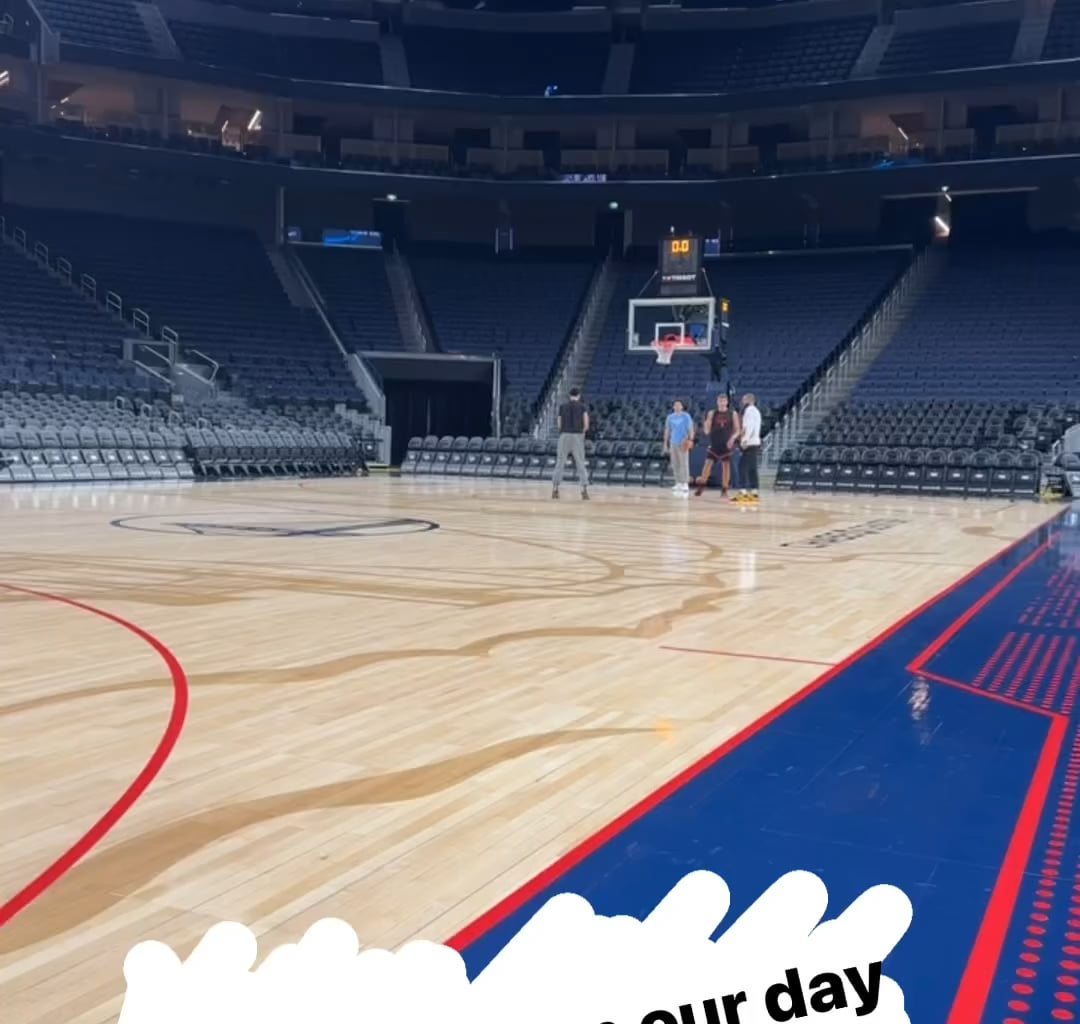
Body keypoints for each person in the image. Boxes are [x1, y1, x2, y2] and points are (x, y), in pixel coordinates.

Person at [694, 394, 739, 498]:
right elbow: (707, 431)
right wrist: (706, 425)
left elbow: (738, 430)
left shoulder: (733, 413)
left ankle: (724, 489)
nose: (722, 403)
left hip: (726, 443)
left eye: (724, 401)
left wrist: (732, 439)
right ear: (717, 402)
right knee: (707, 464)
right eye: (720, 401)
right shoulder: (712, 413)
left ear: (727, 402)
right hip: (714, 442)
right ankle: (701, 487)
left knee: (726, 466)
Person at [552, 386, 589, 500]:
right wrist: (581, 433)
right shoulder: (583, 407)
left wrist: (564, 431)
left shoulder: (562, 407)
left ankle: (555, 489)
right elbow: (586, 424)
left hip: (564, 435)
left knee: (560, 462)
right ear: (578, 395)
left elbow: (559, 423)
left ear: (569, 395)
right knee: (580, 463)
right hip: (577, 435)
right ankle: (584, 490)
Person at [733, 392, 761, 504]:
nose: (742, 402)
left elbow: (749, 426)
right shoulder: (756, 411)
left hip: (749, 442)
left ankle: (743, 492)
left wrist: (744, 440)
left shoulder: (749, 410)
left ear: (749, 400)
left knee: (742, 467)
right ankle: (754, 492)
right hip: (755, 442)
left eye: (744, 400)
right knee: (752, 468)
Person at [664, 399, 695, 497]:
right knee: (675, 463)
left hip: (683, 442)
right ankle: (678, 482)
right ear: (673, 407)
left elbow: (690, 428)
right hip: (673, 442)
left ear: (682, 407)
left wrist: (690, 439)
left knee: (684, 462)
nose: (677, 407)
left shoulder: (686, 416)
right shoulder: (670, 417)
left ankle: (685, 483)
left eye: (679, 405)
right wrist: (665, 443)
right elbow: (667, 430)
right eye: (675, 405)